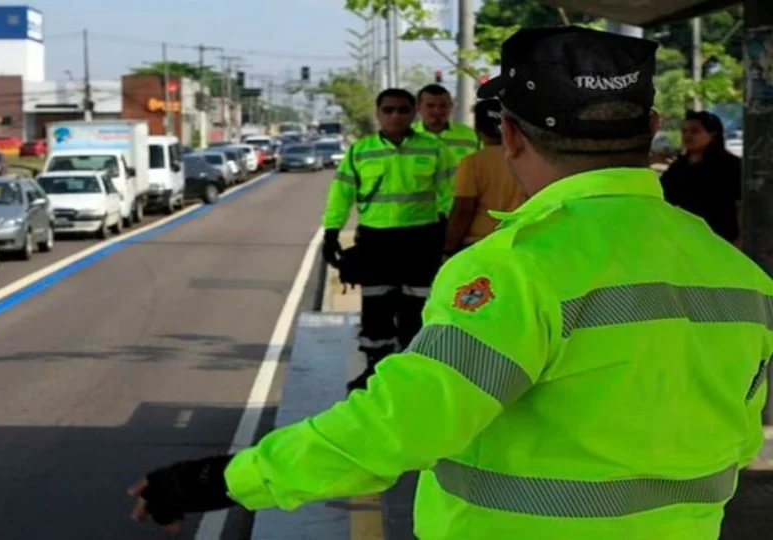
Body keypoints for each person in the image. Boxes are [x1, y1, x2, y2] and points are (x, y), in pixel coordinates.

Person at [129, 26, 773, 539]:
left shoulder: (517, 267)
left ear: (510, 134)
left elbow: (399, 425)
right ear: (652, 125)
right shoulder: (737, 273)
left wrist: (230, 478)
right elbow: (740, 441)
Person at [320, 88, 455, 393]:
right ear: (378, 113)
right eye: (389, 110)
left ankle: (412, 373)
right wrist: (330, 232)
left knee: (417, 308)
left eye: (403, 110)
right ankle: (374, 370)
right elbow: (341, 194)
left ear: (413, 113)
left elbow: (450, 192)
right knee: (376, 307)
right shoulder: (360, 151)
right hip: (375, 242)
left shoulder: (434, 149)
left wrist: (447, 231)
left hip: (421, 240)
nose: (396, 115)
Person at [443, 98, 526, 256]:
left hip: (478, 244)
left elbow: (463, 210)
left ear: (478, 129)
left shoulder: (472, 163)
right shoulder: (526, 160)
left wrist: (449, 248)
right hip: (517, 240)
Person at [660, 110, 742, 245]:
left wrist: (740, 238)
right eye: (684, 131)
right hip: (682, 238)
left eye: (695, 131)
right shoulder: (678, 167)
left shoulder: (729, 165)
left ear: (712, 134)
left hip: (719, 238)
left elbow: (740, 203)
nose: (688, 136)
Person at [413, 84, 480, 169]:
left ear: (451, 106)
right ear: (418, 107)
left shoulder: (471, 135)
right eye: (430, 106)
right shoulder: (405, 136)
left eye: (443, 106)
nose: (437, 111)